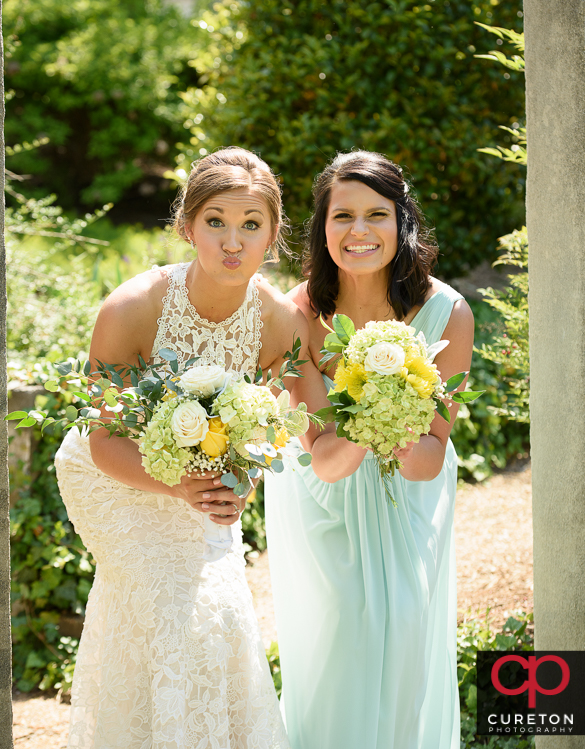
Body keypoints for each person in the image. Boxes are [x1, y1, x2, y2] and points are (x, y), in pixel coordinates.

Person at [55, 147, 311, 749]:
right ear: (187, 225)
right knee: (173, 611)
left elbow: (266, 430)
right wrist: (177, 485)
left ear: (273, 234)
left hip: (201, 475)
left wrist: (238, 488)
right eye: (216, 220)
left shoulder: (277, 323)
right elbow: (101, 440)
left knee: (220, 616)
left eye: (251, 224)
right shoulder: (133, 306)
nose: (233, 241)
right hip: (112, 474)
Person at [264, 150, 474, 749]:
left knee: (405, 631)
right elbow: (325, 460)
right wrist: (368, 399)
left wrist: (402, 420)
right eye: (342, 216)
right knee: (342, 642)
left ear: (402, 223)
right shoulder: (297, 315)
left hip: (409, 499)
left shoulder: (447, 313)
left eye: (376, 215)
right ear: (322, 227)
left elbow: (431, 456)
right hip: (322, 495)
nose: (359, 231)